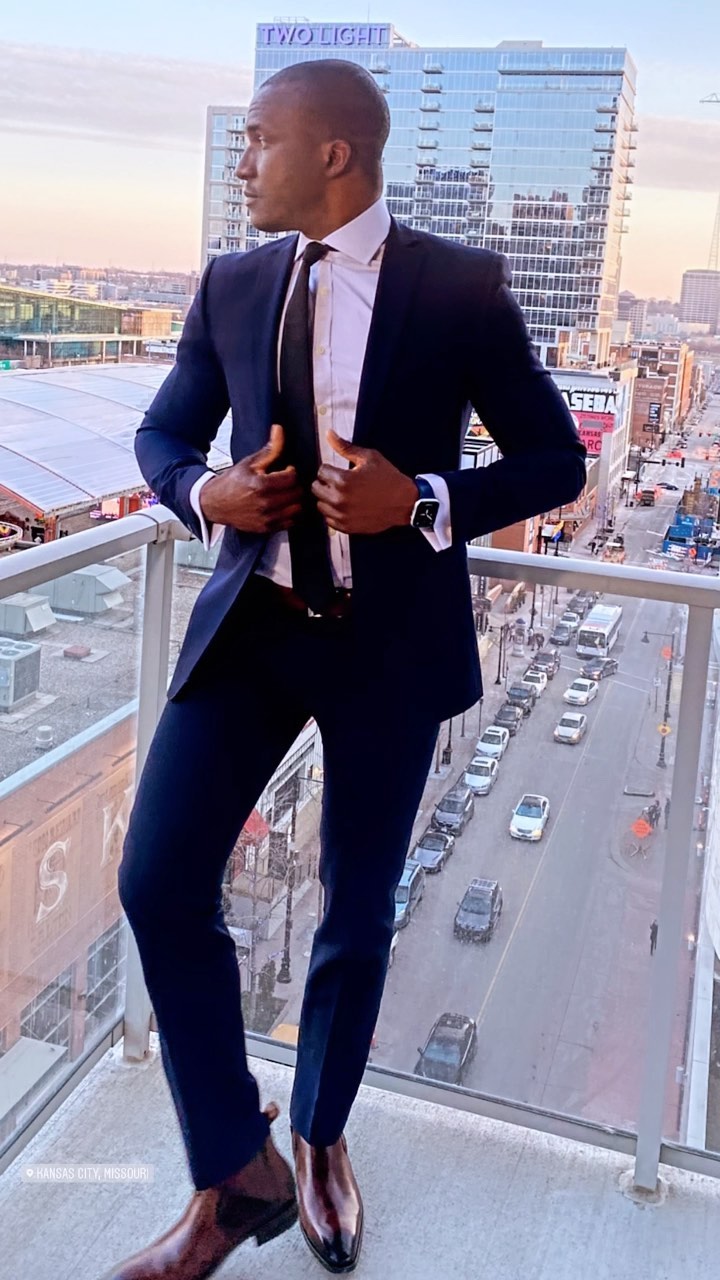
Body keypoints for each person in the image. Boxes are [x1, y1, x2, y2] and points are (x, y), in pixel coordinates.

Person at [109, 59, 585, 1280]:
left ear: (333, 153)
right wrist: (204, 490)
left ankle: (319, 1136)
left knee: (356, 912)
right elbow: (162, 432)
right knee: (158, 880)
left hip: (388, 646)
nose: (241, 163)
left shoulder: (462, 286)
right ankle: (240, 1168)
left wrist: (419, 498)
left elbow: (554, 459)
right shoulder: (233, 282)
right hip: (253, 631)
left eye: (257, 139)